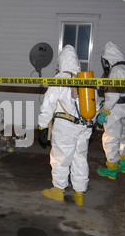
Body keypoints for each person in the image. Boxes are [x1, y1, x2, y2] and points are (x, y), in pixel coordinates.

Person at [38, 45, 99, 207]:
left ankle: (58, 190)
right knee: (80, 157)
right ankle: (79, 193)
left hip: (65, 125)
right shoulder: (86, 80)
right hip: (85, 126)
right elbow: (96, 105)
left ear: (62, 61)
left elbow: (48, 105)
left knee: (60, 157)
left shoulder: (60, 79)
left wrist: (42, 126)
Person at [96, 42, 125, 179]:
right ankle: (123, 164)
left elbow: (113, 94)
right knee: (122, 137)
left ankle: (111, 168)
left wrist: (105, 111)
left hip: (115, 108)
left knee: (110, 138)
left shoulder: (118, 70)